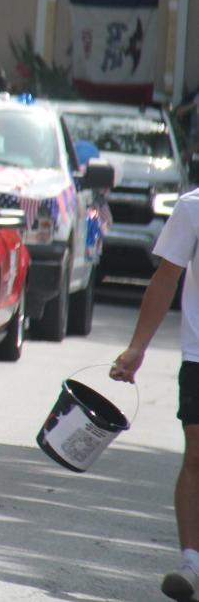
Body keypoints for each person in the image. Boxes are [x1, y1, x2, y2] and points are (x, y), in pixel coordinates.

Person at [110, 187, 199, 602]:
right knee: (197, 455)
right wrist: (137, 346)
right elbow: (166, 276)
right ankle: (191, 562)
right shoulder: (192, 206)